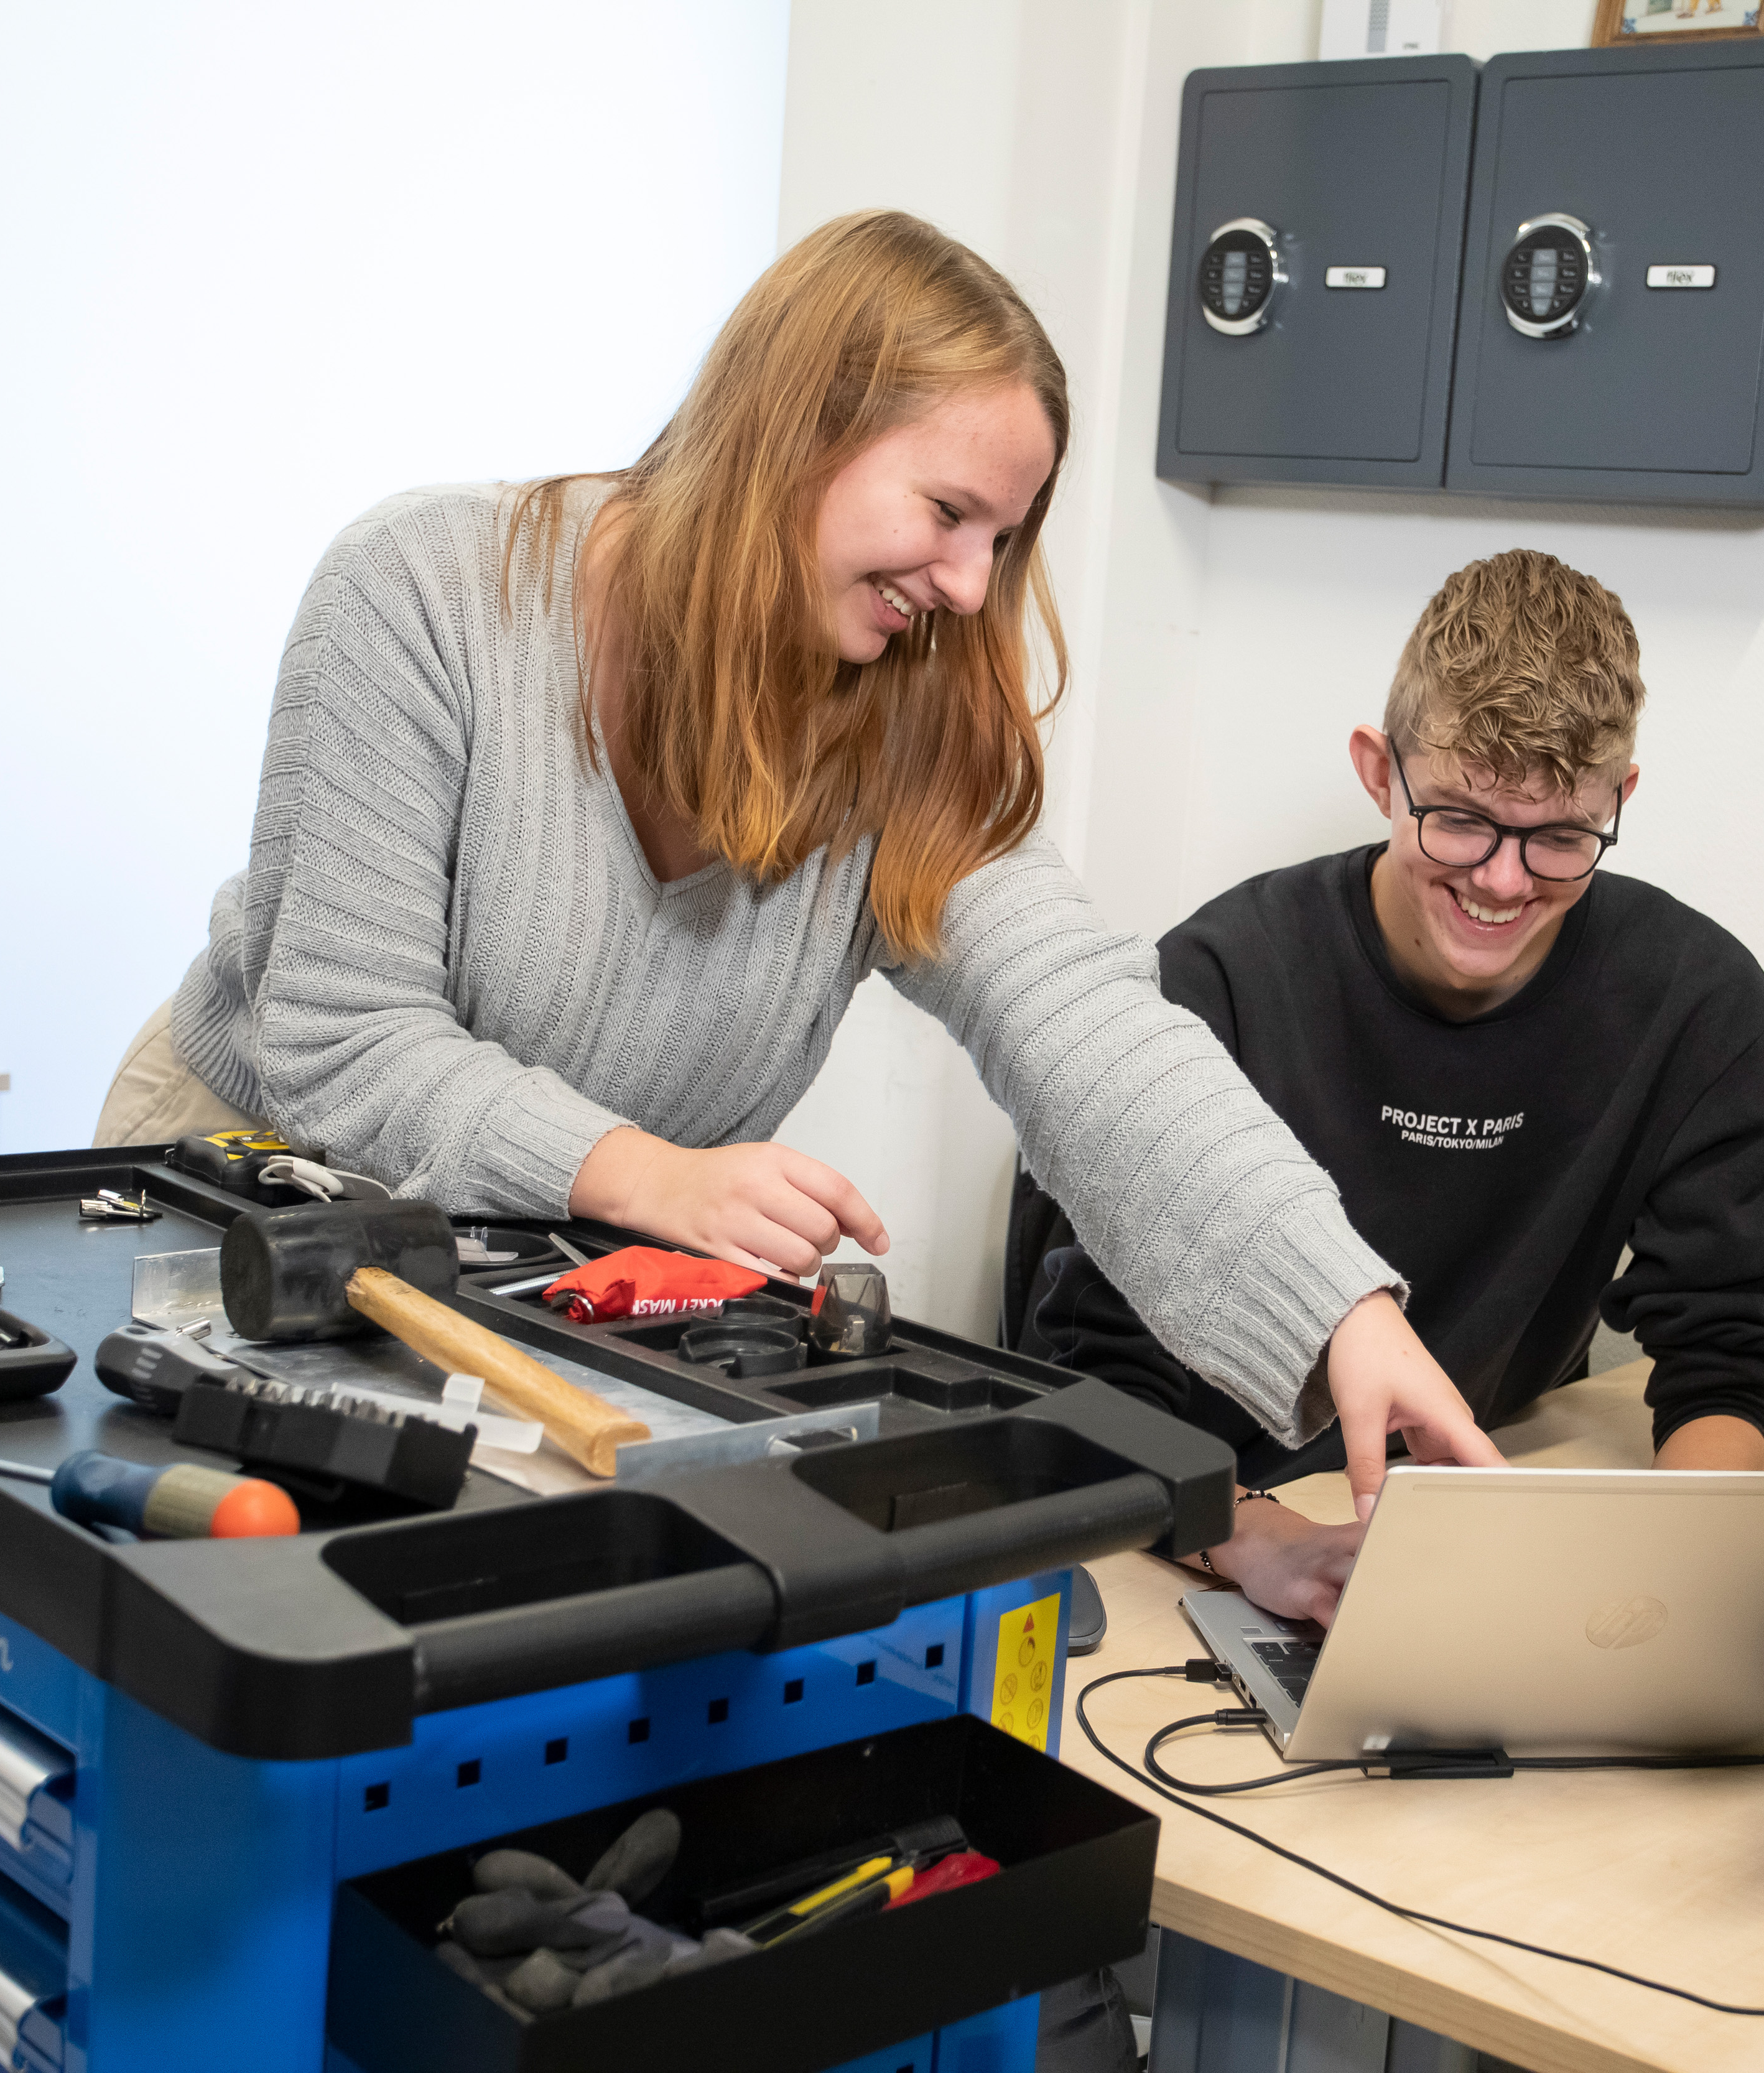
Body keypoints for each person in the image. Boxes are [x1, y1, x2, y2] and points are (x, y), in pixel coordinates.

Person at [93, 210, 1502, 1515]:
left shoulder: (903, 718)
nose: (968, 584)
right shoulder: (419, 593)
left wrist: (1341, 1313)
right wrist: (650, 1172)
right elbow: (348, 1043)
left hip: (539, 1265)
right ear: (795, 432)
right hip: (229, 1195)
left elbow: (1090, 1031)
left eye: (1001, 540)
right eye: (948, 512)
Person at [1018, 549, 1764, 1625]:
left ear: (1621, 800)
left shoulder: (1695, 1001)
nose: (1501, 879)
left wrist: (1681, 1590)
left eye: (1561, 838)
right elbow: (1092, 1388)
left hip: (1468, 1522)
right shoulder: (1220, 979)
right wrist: (1257, 1538)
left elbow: (1724, 1349)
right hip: (1199, 1523)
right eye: (1460, 819)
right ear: (1378, 769)